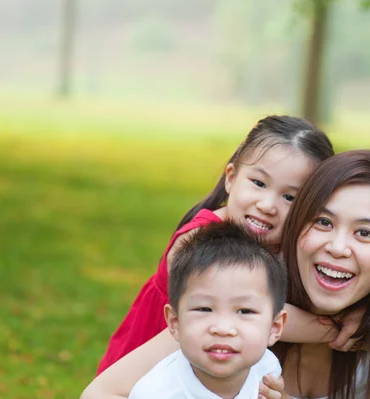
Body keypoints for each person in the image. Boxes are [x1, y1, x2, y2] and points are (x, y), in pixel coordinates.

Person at [81, 149, 370, 399]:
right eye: (323, 223)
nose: (338, 247)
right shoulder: (226, 319)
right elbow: (101, 394)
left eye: (365, 233)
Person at [96, 115, 335, 374]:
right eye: (258, 183)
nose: (267, 205)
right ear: (231, 178)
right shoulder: (198, 241)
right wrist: (333, 331)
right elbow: (252, 312)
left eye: (290, 197)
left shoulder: (288, 244)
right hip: (153, 367)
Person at [129, 221, 288, 399]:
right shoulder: (155, 393)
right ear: (175, 323)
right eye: (204, 309)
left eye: (245, 311)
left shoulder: (266, 370)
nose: (223, 328)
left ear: (275, 327)